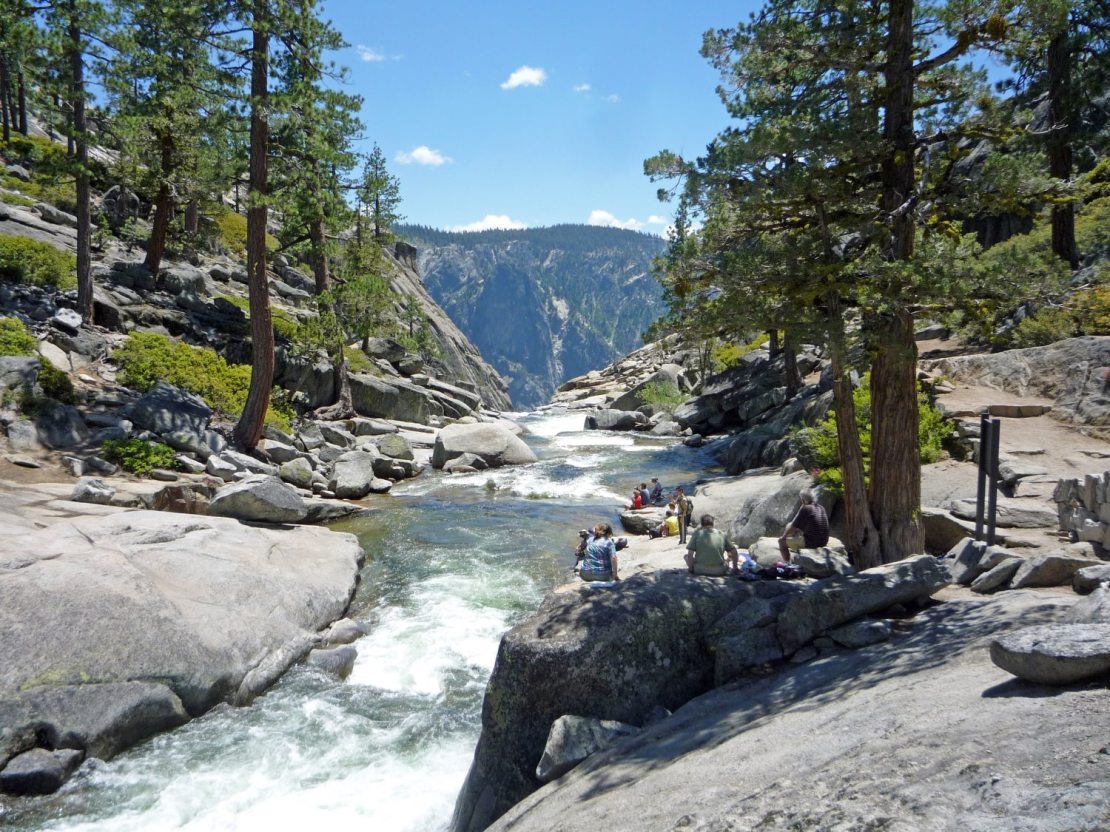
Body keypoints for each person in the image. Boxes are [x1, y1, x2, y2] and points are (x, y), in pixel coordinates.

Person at [778, 488, 830, 562]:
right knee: (798, 531)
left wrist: (783, 537)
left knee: (781, 542)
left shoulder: (806, 508)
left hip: (812, 542)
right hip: (824, 541)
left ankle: (787, 564)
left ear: (802, 500)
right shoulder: (821, 508)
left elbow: (793, 526)